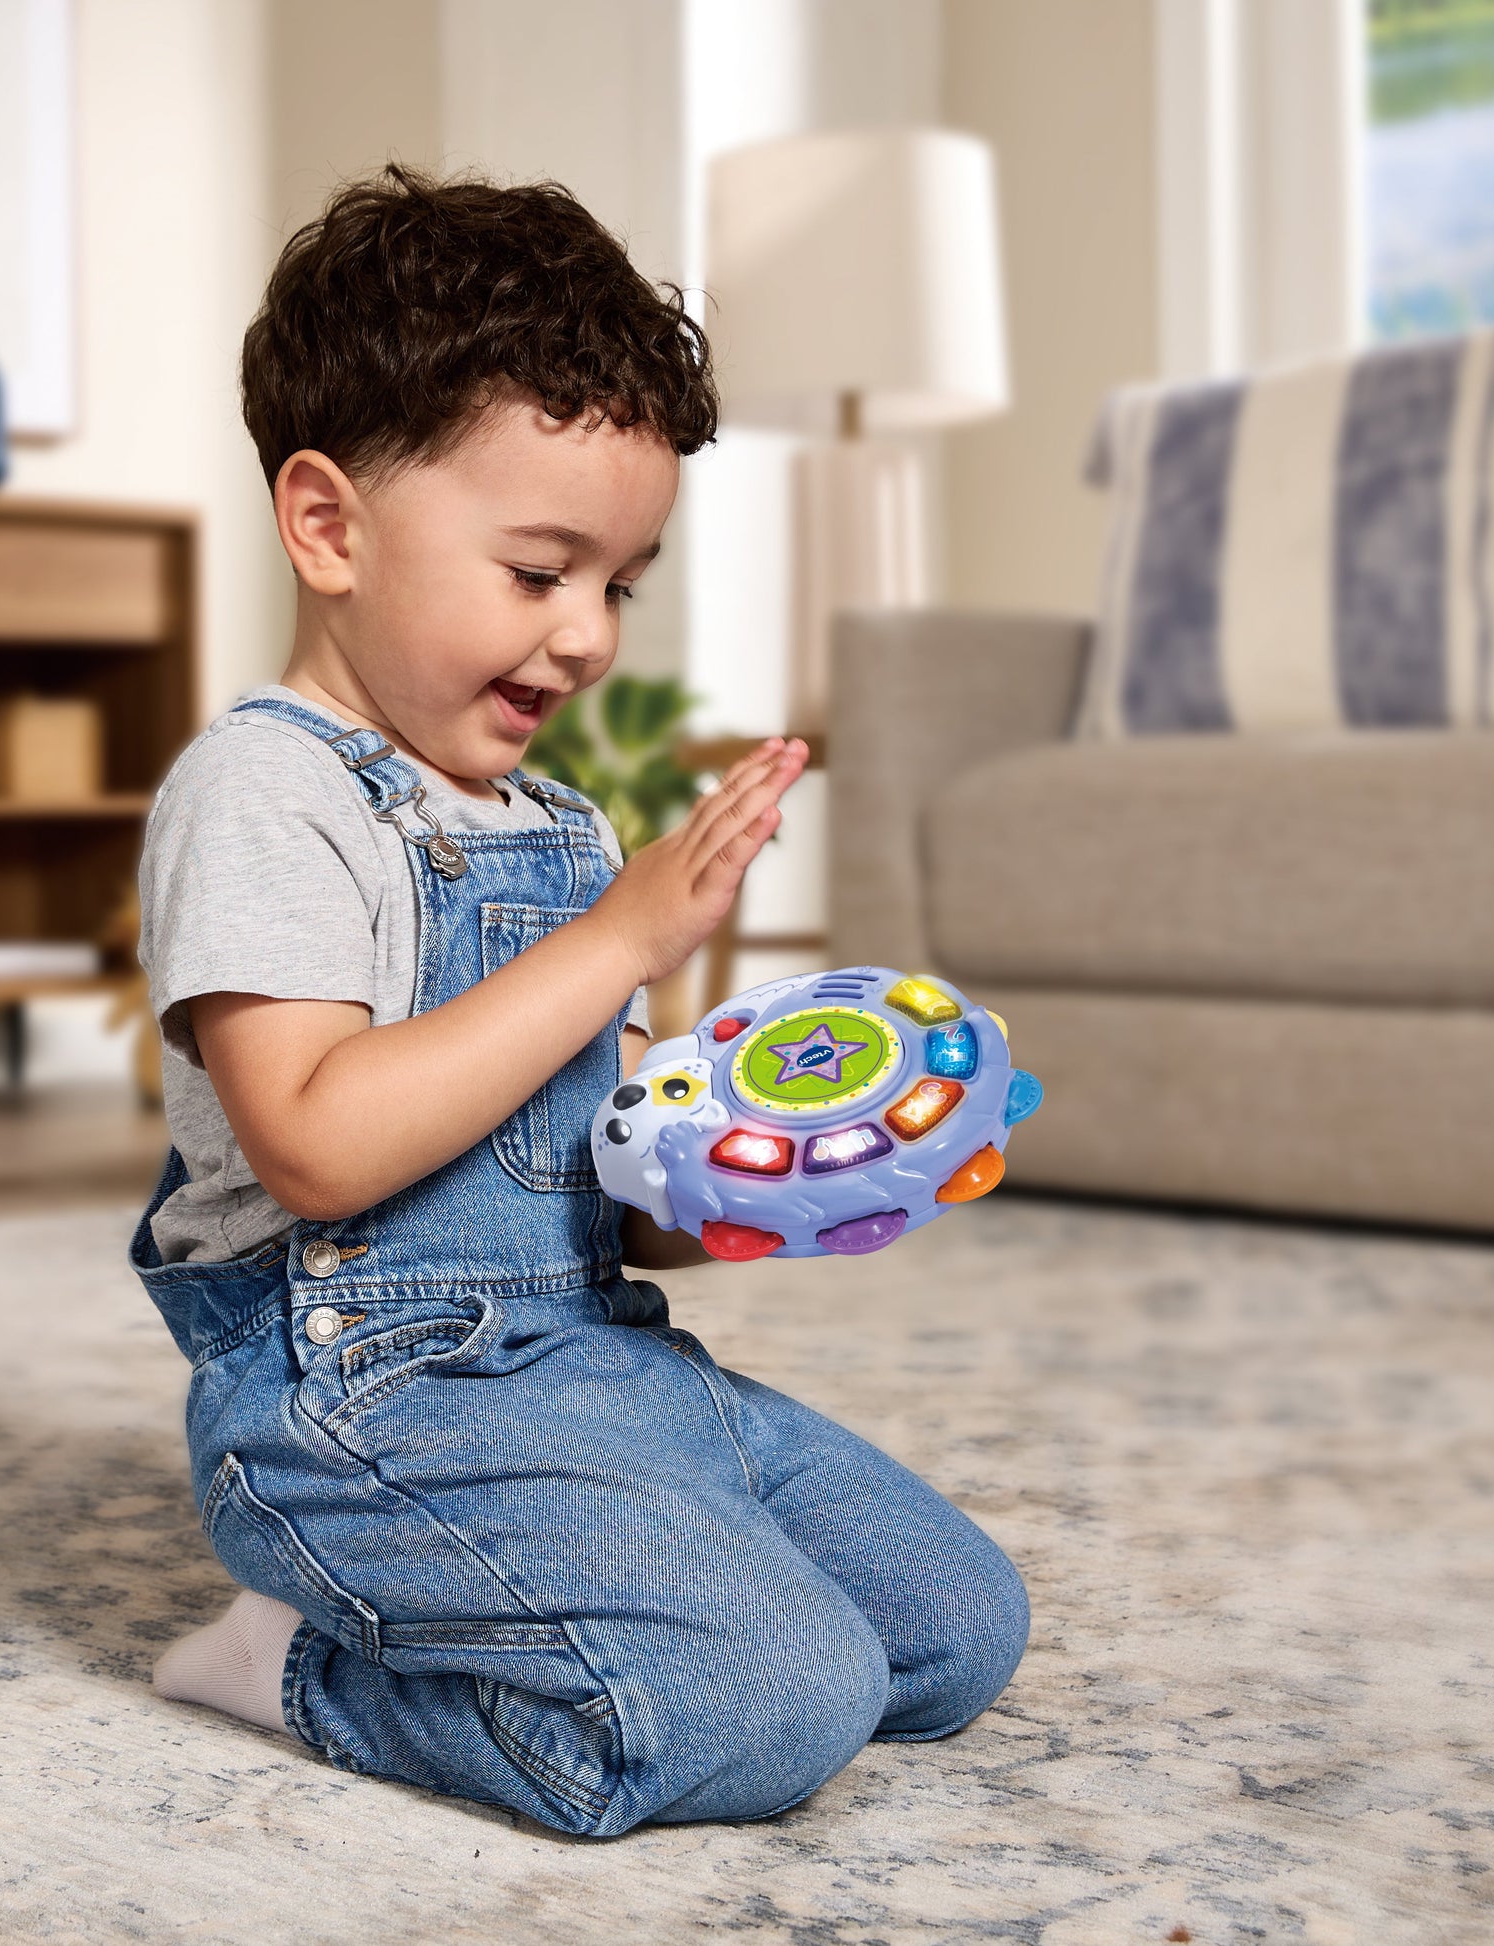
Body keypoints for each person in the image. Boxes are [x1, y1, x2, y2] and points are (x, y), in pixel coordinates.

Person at [131, 165, 1028, 1838]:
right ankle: (297, 1663)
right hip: (357, 1394)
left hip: (589, 1354)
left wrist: (752, 1176)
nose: (590, 636)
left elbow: (597, 1185)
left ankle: (588, 1578)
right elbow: (316, 1144)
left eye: (618, 583)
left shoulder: (558, 827)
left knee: (950, 1628)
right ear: (328, 526)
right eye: (540, 570)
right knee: (770, 1700)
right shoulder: (262, 793)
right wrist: (620, 942)